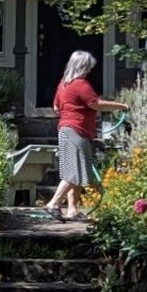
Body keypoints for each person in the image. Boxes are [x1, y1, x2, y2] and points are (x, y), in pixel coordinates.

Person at [40, 50, 128, 221]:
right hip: (76, 131)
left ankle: (72, 210)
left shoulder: (63, 85)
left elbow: (57, 107)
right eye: (88, 67)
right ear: (82, 67)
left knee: (73, 171)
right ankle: (54, 203)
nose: (89, 71)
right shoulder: (81, 84)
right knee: (75, 172)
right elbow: (96, 104)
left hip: (65, 130)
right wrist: (121, 105)